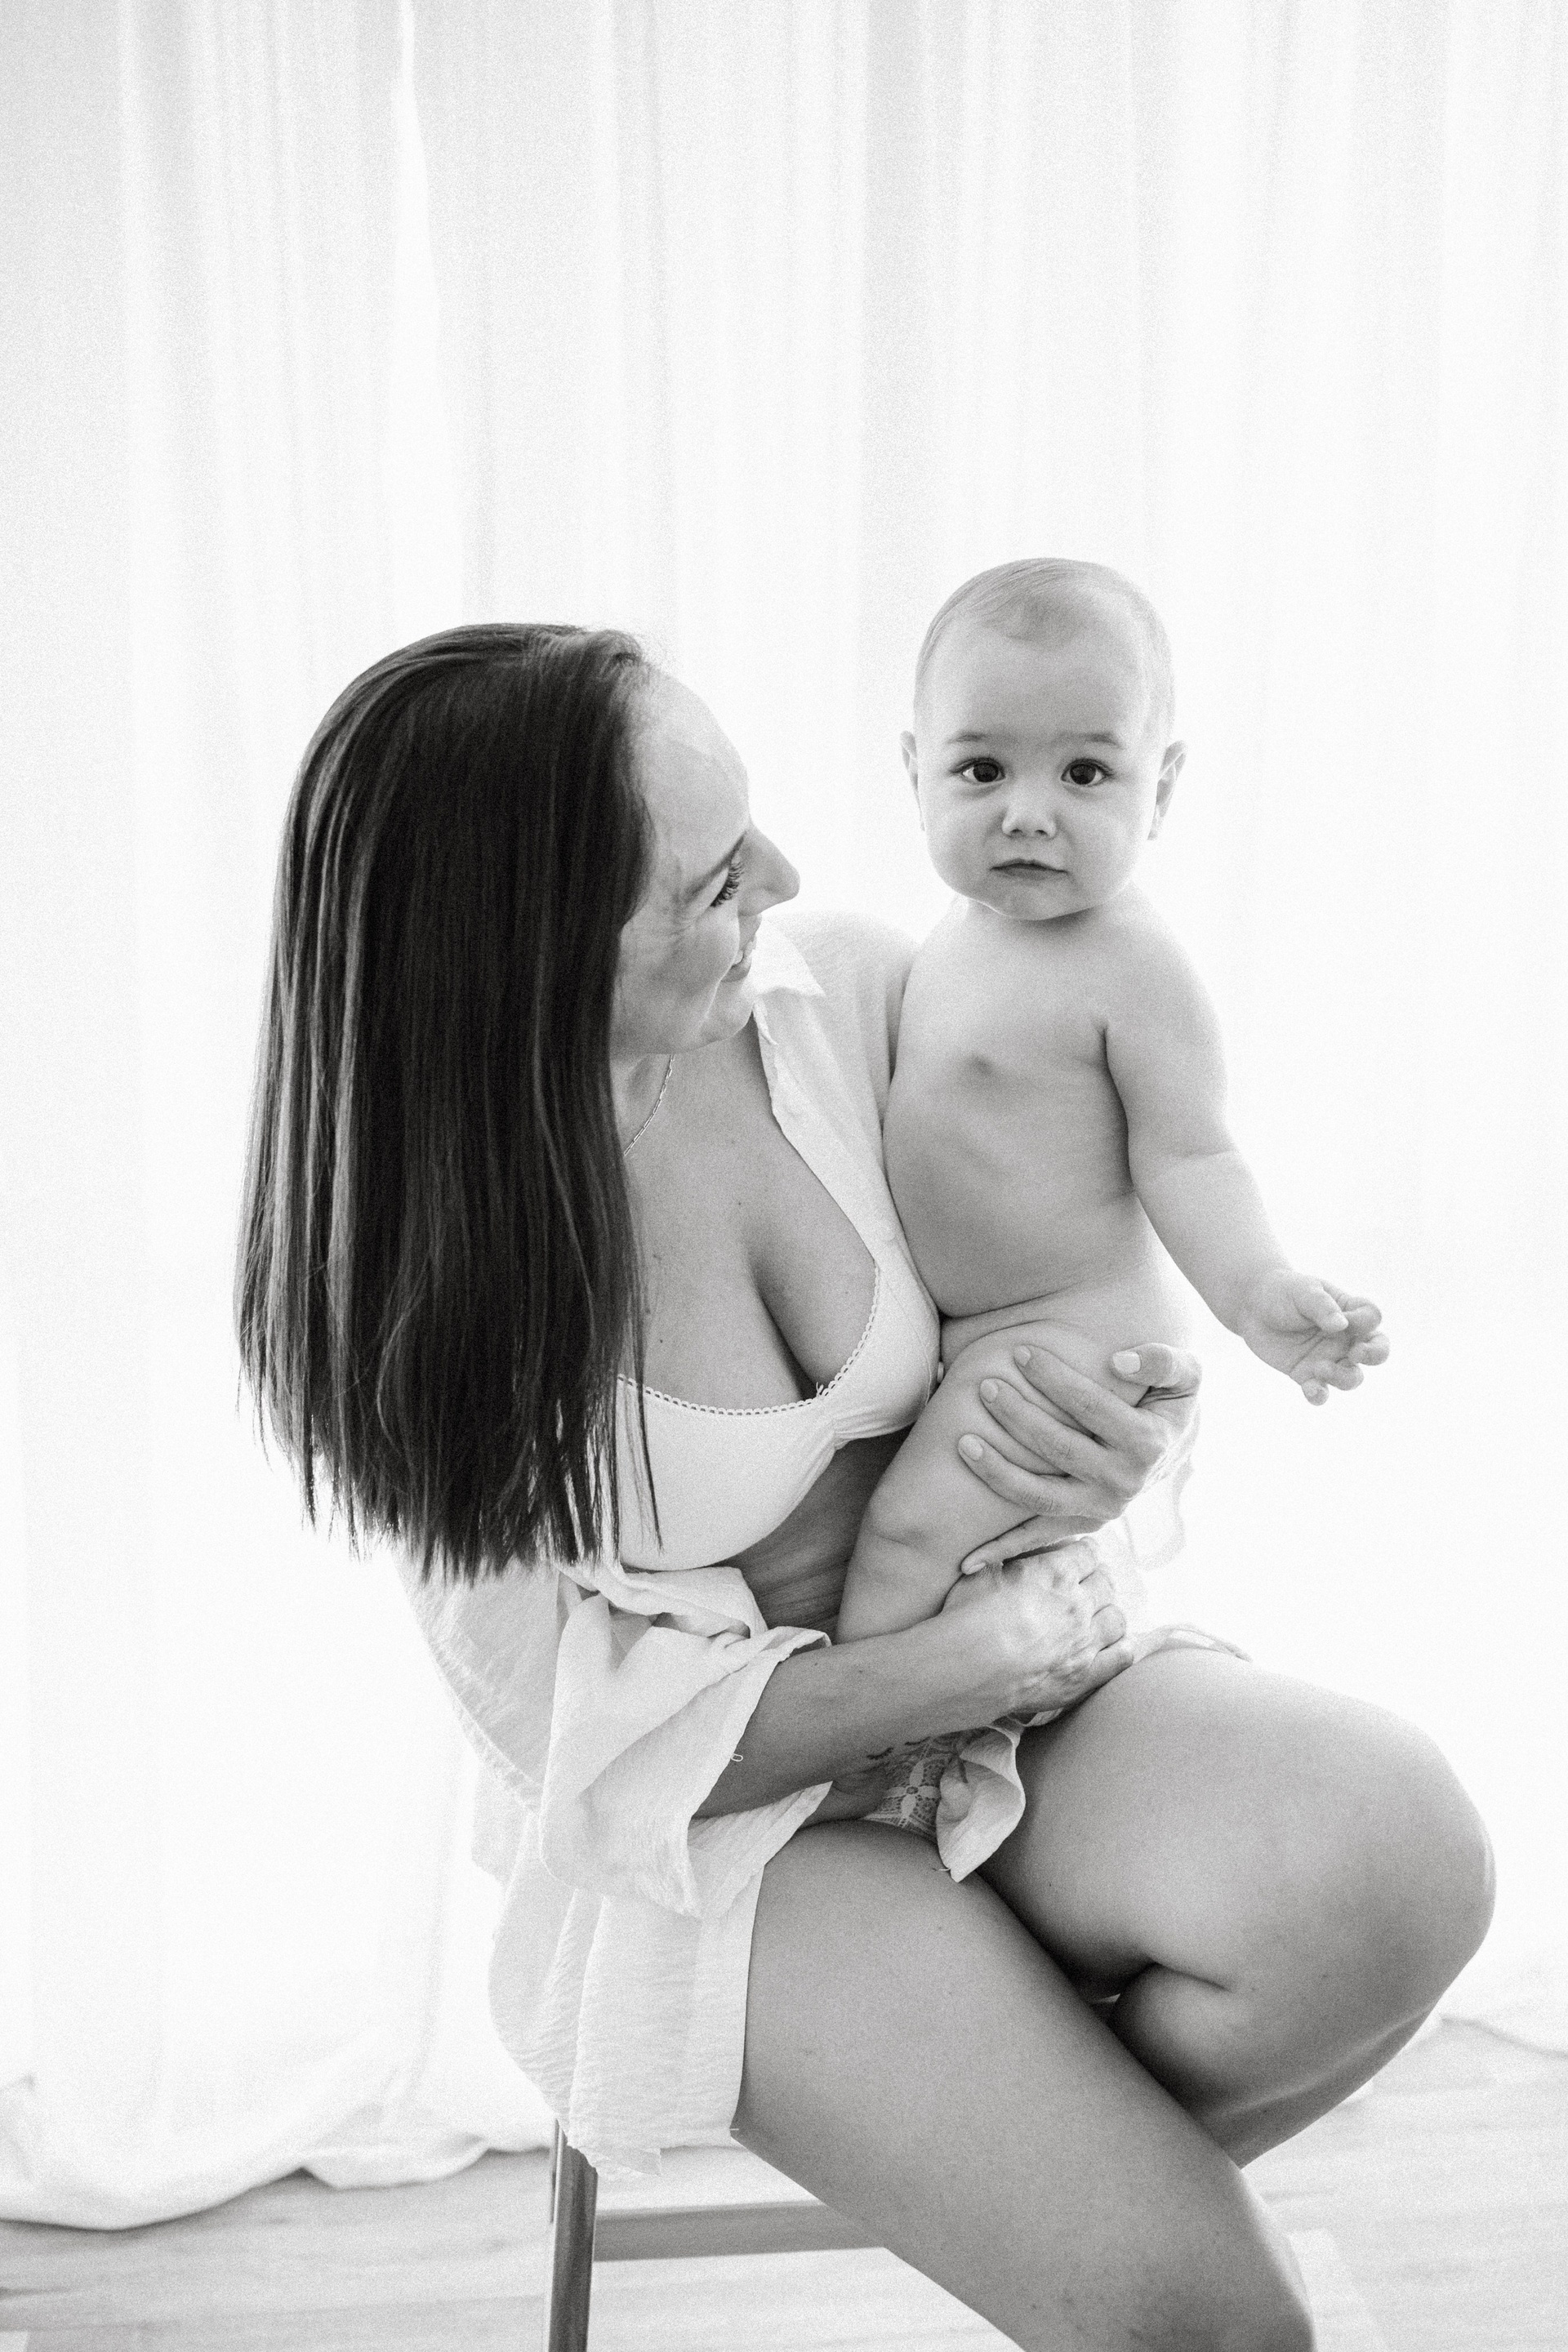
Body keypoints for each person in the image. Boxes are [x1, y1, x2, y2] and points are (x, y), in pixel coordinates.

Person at [236, 622, 1493, 2352]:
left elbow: (1073, 1279)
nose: (784, 878)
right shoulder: (423, 1278)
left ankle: (1073, 2203)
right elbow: (575, 1752)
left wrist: (1115, 1437)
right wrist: (957, 1664)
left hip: (1013, 1702)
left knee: (1404, 1855)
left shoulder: (848, 996)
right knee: (1221, 2333)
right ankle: (1107, 2240)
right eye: (710, 880)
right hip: (740, 1836)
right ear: (525, 954)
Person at [837, 557, 1389, 1645]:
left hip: (1070, 1333)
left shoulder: (1132, 965)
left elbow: (1192, 1156)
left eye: (1086, 773)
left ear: (1161, 789)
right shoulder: (952, 935)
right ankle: (990, 1697)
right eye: (982, 770)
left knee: (907, 1536)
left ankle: (887, 1722)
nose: (1027, 815)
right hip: (969, 1331)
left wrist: (1256, 1291)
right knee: (968, 1554)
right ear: (914, 774)